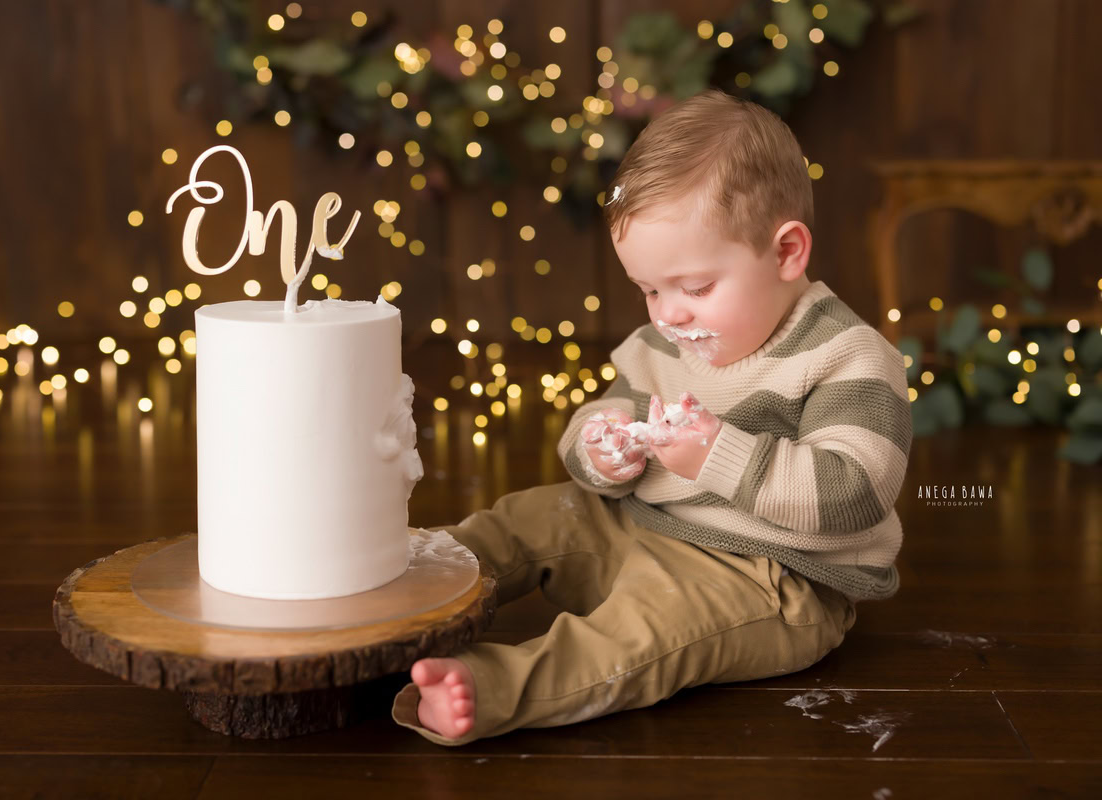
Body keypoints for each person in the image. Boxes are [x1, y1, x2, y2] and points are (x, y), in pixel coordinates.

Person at [390, 88, 912, 746]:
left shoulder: (847, 358)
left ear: (786, 253)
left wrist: (716, 454)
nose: (669, 314)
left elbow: (854, 492)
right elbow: (609, 410)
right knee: (527, 518)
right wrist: (601, 449)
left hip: (767, 576)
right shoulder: (665, 343)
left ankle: (494, 687)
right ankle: (406, 587)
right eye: (649, 290)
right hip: (642, 526)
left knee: (637, 635)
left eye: (696, 288)